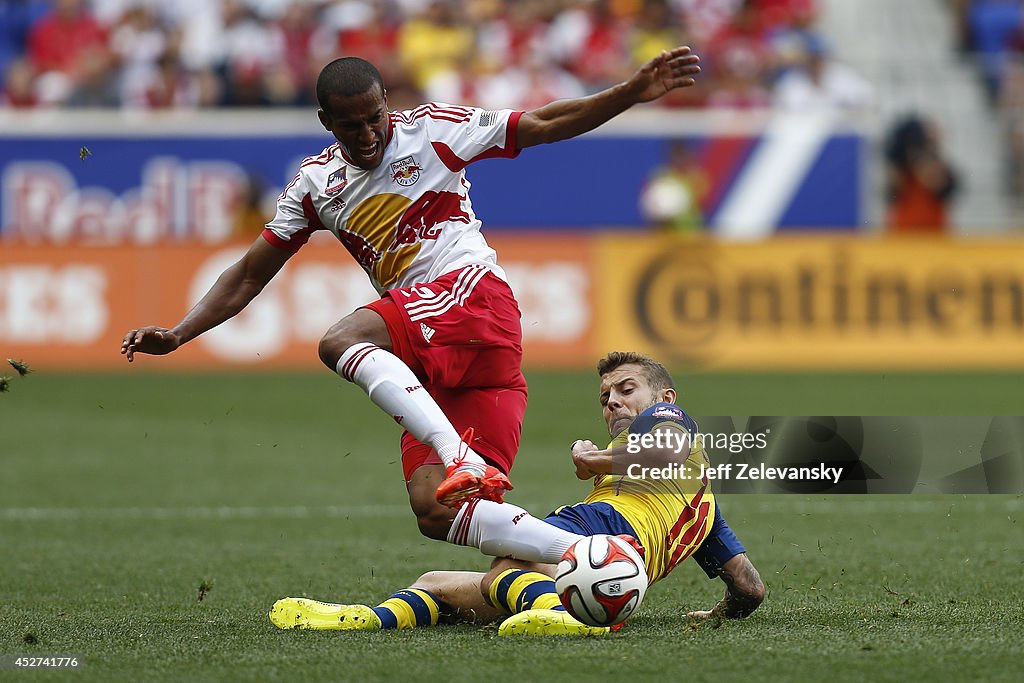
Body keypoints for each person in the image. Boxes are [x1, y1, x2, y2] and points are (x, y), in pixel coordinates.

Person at [119, 49, 703, 545]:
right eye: (352, 125)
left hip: (473, 299)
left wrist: (630, 91)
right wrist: (179, 332)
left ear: (386, 104)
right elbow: (248, 274)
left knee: (341, 340)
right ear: (326, 122)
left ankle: (458, 452)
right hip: (453, 361)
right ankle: (580, 555)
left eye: (376, 117)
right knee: (437, 511)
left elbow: (545, 122)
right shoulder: (315, 187)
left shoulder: (434, 130)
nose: (370, 133)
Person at [269, 351, 765, 636]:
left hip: (601, 534)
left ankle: (563, 615)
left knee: (504, 568)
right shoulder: (705, 511)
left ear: (664, 397)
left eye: (626, 389)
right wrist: (716, 615)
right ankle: (366, 621)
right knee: (437, 582)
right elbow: (749, 587)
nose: (613, 400)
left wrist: (594, 460)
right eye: (605, 396)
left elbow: (668, 450)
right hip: (612, 576)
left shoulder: (668, 420)